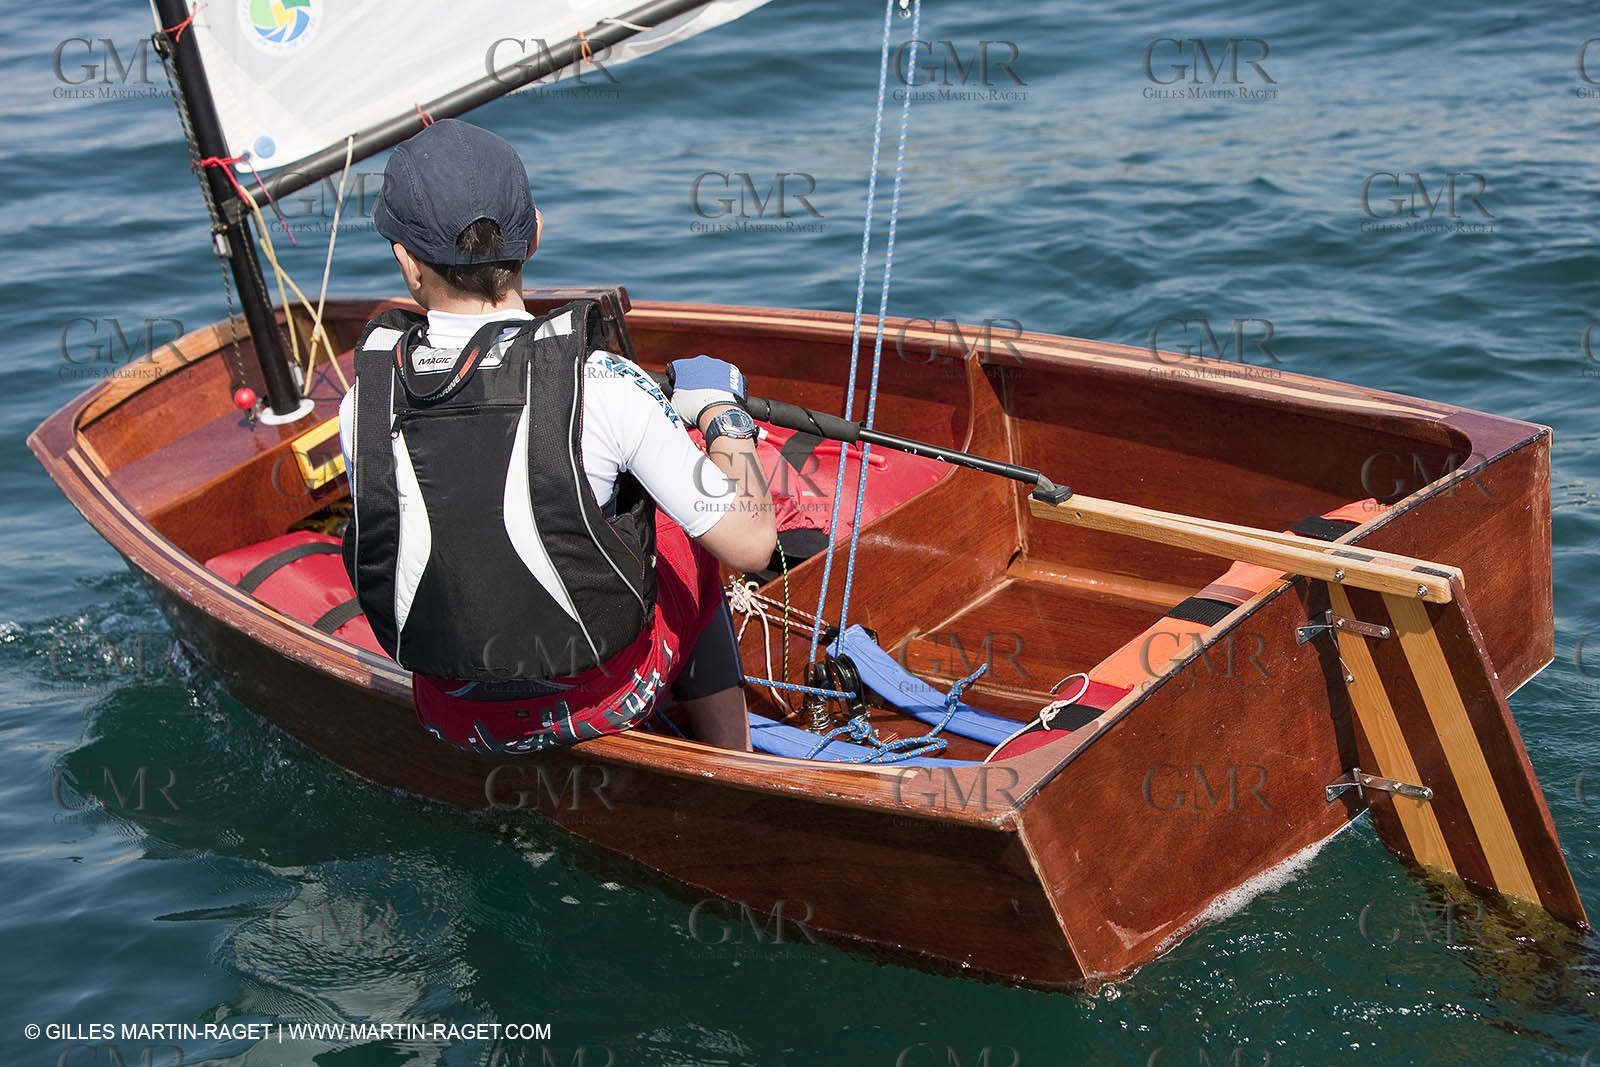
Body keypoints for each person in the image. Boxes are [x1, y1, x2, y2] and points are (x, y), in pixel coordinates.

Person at [338, 118, 775, 753]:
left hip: (451, 715)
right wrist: (719, 414)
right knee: (690, 522)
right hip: (604, 699)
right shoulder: (604, 383)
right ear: (535, 234)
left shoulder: (360, 406)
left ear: (407, 262)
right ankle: (732, 762)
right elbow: (754, 545)